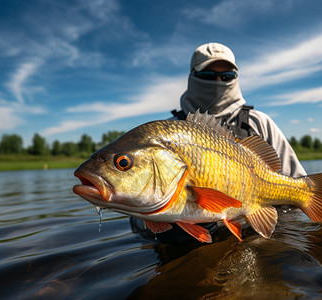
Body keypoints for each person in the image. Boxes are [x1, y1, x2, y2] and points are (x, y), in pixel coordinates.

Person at [131, 42, 307, 243]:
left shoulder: (259, 123)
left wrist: (283, 228)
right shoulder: (167, 134)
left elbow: (298, 186)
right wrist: (160, 226)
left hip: (253, 238)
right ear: (193, 77)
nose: (218, 81)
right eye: (208, 76)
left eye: (227, 76)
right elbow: (136, 210)